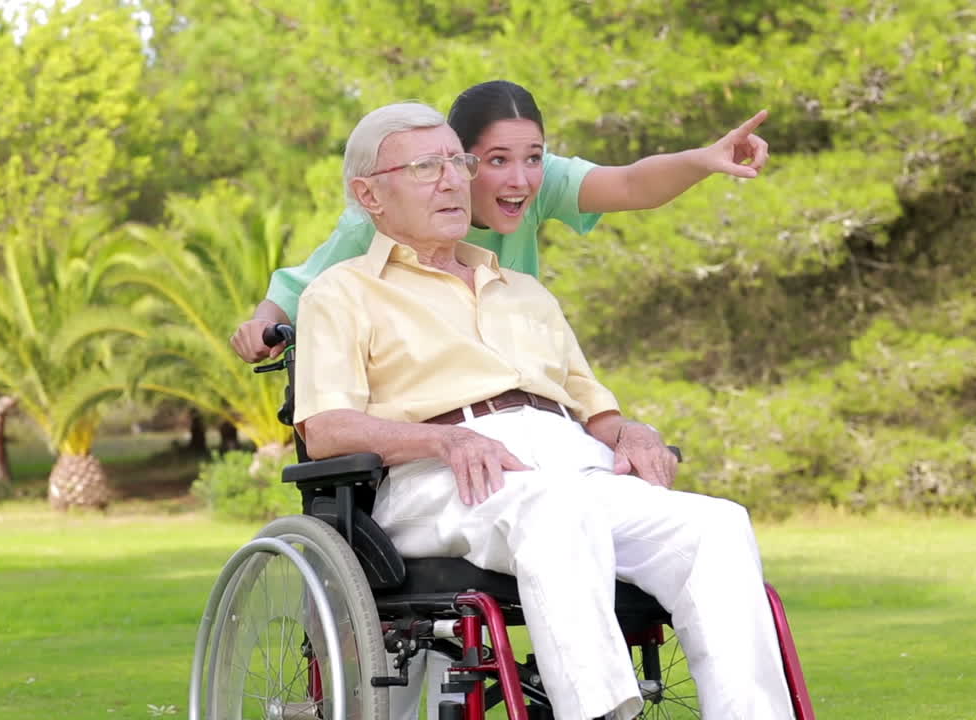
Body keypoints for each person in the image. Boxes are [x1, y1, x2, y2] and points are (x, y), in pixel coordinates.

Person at [292, 101, 793, 720]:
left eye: (458, 161)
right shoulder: (341, 292)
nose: (453, 179)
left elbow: (594, 410)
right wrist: (442, 443)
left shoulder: (525, 292)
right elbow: (326, 429)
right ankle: (603, 713)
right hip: (445, 475)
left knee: (715, 525)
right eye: (427, 167)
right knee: (556, 508)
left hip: (568, 463)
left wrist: (632, 430)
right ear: (369, 193)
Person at [231, 80, 769, 361]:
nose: (519, 179)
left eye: (532, 156)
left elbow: (631, 183)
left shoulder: (539, 185)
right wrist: (261, 323)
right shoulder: (383, 217)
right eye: (495, 161)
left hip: (515, 364)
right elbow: (298, 288)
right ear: (457, 161)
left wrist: (704, 159)